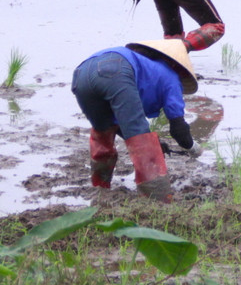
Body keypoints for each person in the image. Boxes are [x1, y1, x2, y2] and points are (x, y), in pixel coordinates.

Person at [71, 39, 200, 202]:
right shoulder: (172, 77)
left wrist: (157, 145)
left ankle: (100, 189)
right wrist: (193, 148)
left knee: (103, 131)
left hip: (80, 74)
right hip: (116, 70)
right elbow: (178, 129)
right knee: (140, 135)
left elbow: (119, 124)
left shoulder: (145, 65)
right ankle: (157, 198)